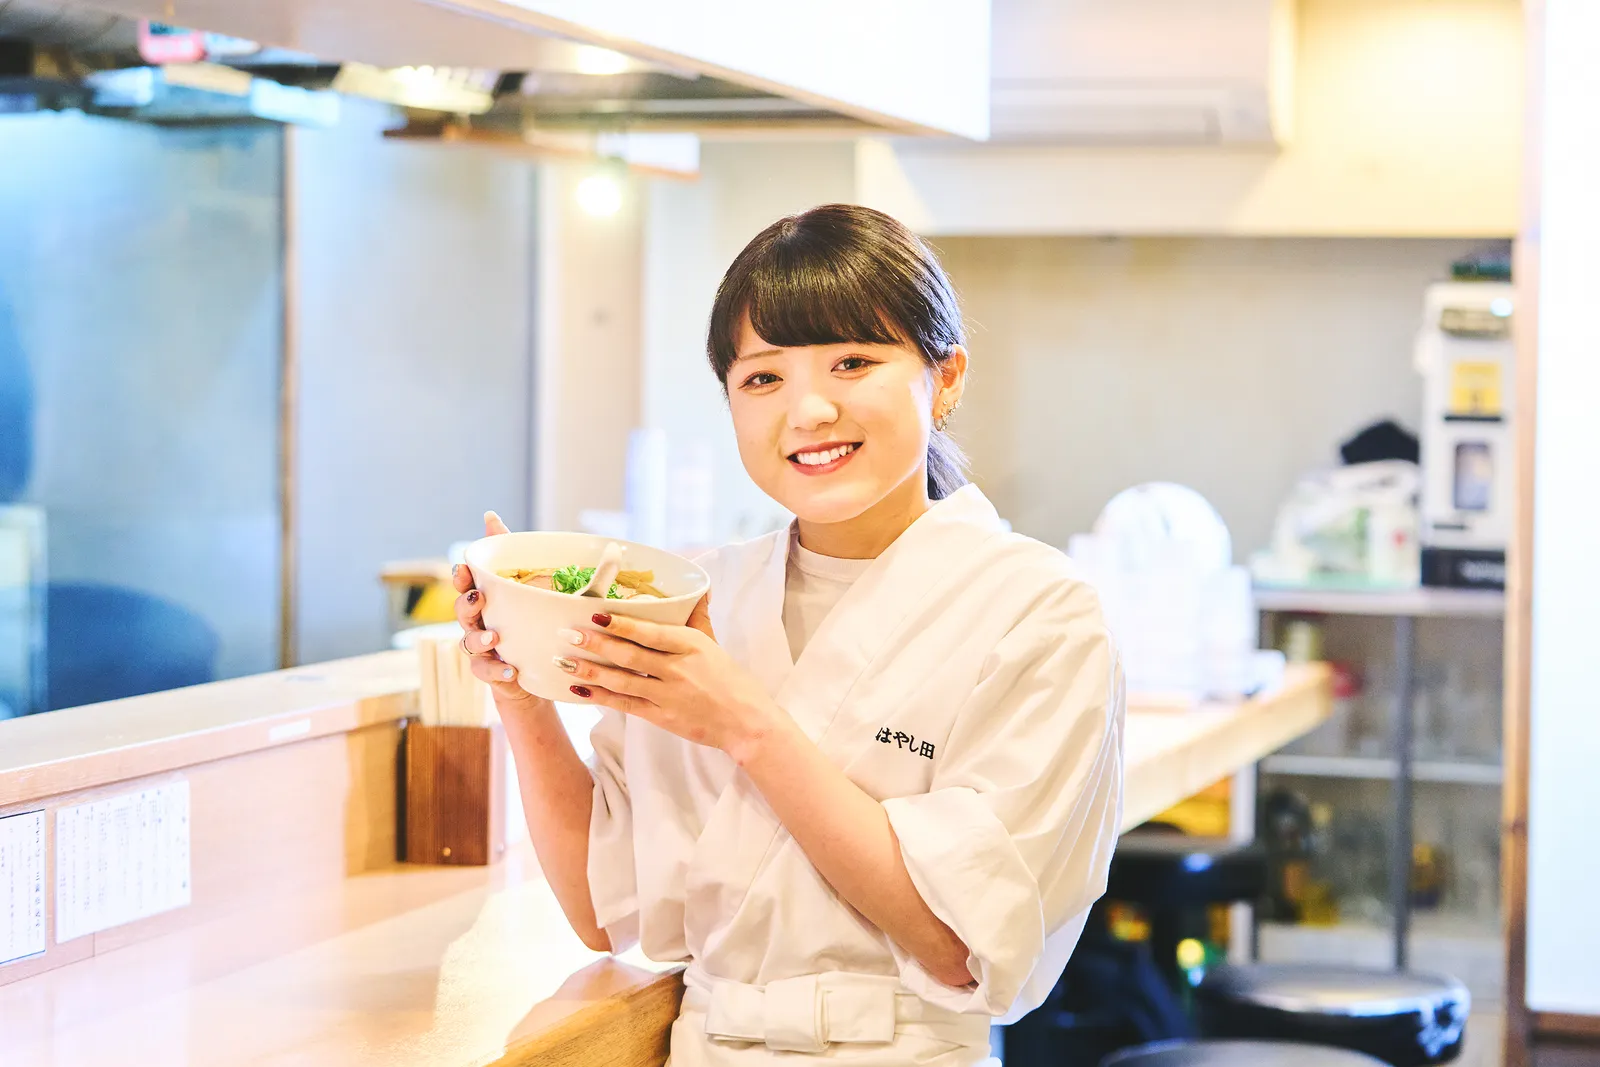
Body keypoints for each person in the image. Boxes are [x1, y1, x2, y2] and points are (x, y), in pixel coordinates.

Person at [453, 204, 1124, 1066]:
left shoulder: (1041, 612)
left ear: (946, 376)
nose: (808, 411)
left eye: (853, 362)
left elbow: (958, 944)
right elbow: (599, 907)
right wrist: (520, 682)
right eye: (763, 378)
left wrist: (746, 723)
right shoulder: (701, 593)